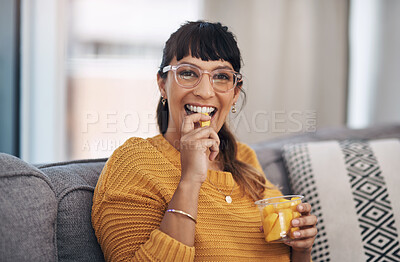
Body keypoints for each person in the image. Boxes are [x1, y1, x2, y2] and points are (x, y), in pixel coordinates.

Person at [91, 21, 317, 261]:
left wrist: (301, 250)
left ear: (235, 93)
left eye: (221, 76)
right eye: (188, 73)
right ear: (162, 85)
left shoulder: (244, 158)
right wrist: (190, 180)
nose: (205, 91)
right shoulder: (134, 163)